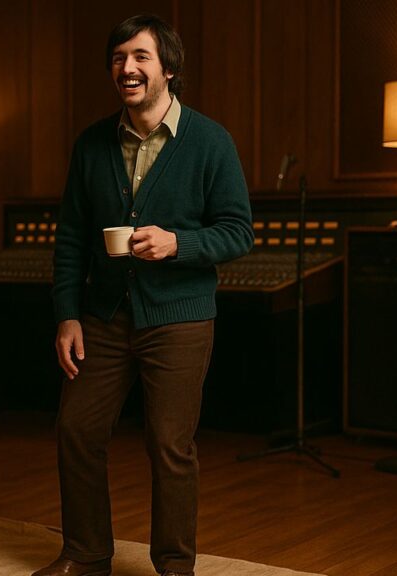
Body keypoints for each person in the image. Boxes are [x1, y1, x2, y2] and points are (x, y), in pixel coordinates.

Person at [37, 14, 253, 576]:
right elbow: (70, 241)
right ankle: (85, 555)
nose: (126, 68)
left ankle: (175, 566)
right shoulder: (92, 144)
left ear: (169, 70)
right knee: (77, 430)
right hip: (104, 317)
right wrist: (68, 316)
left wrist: (178, 243)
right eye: (117, 58)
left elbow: (239, 231)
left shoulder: (210, 141)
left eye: (139, 57)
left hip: (179, 319)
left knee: (170, 447)